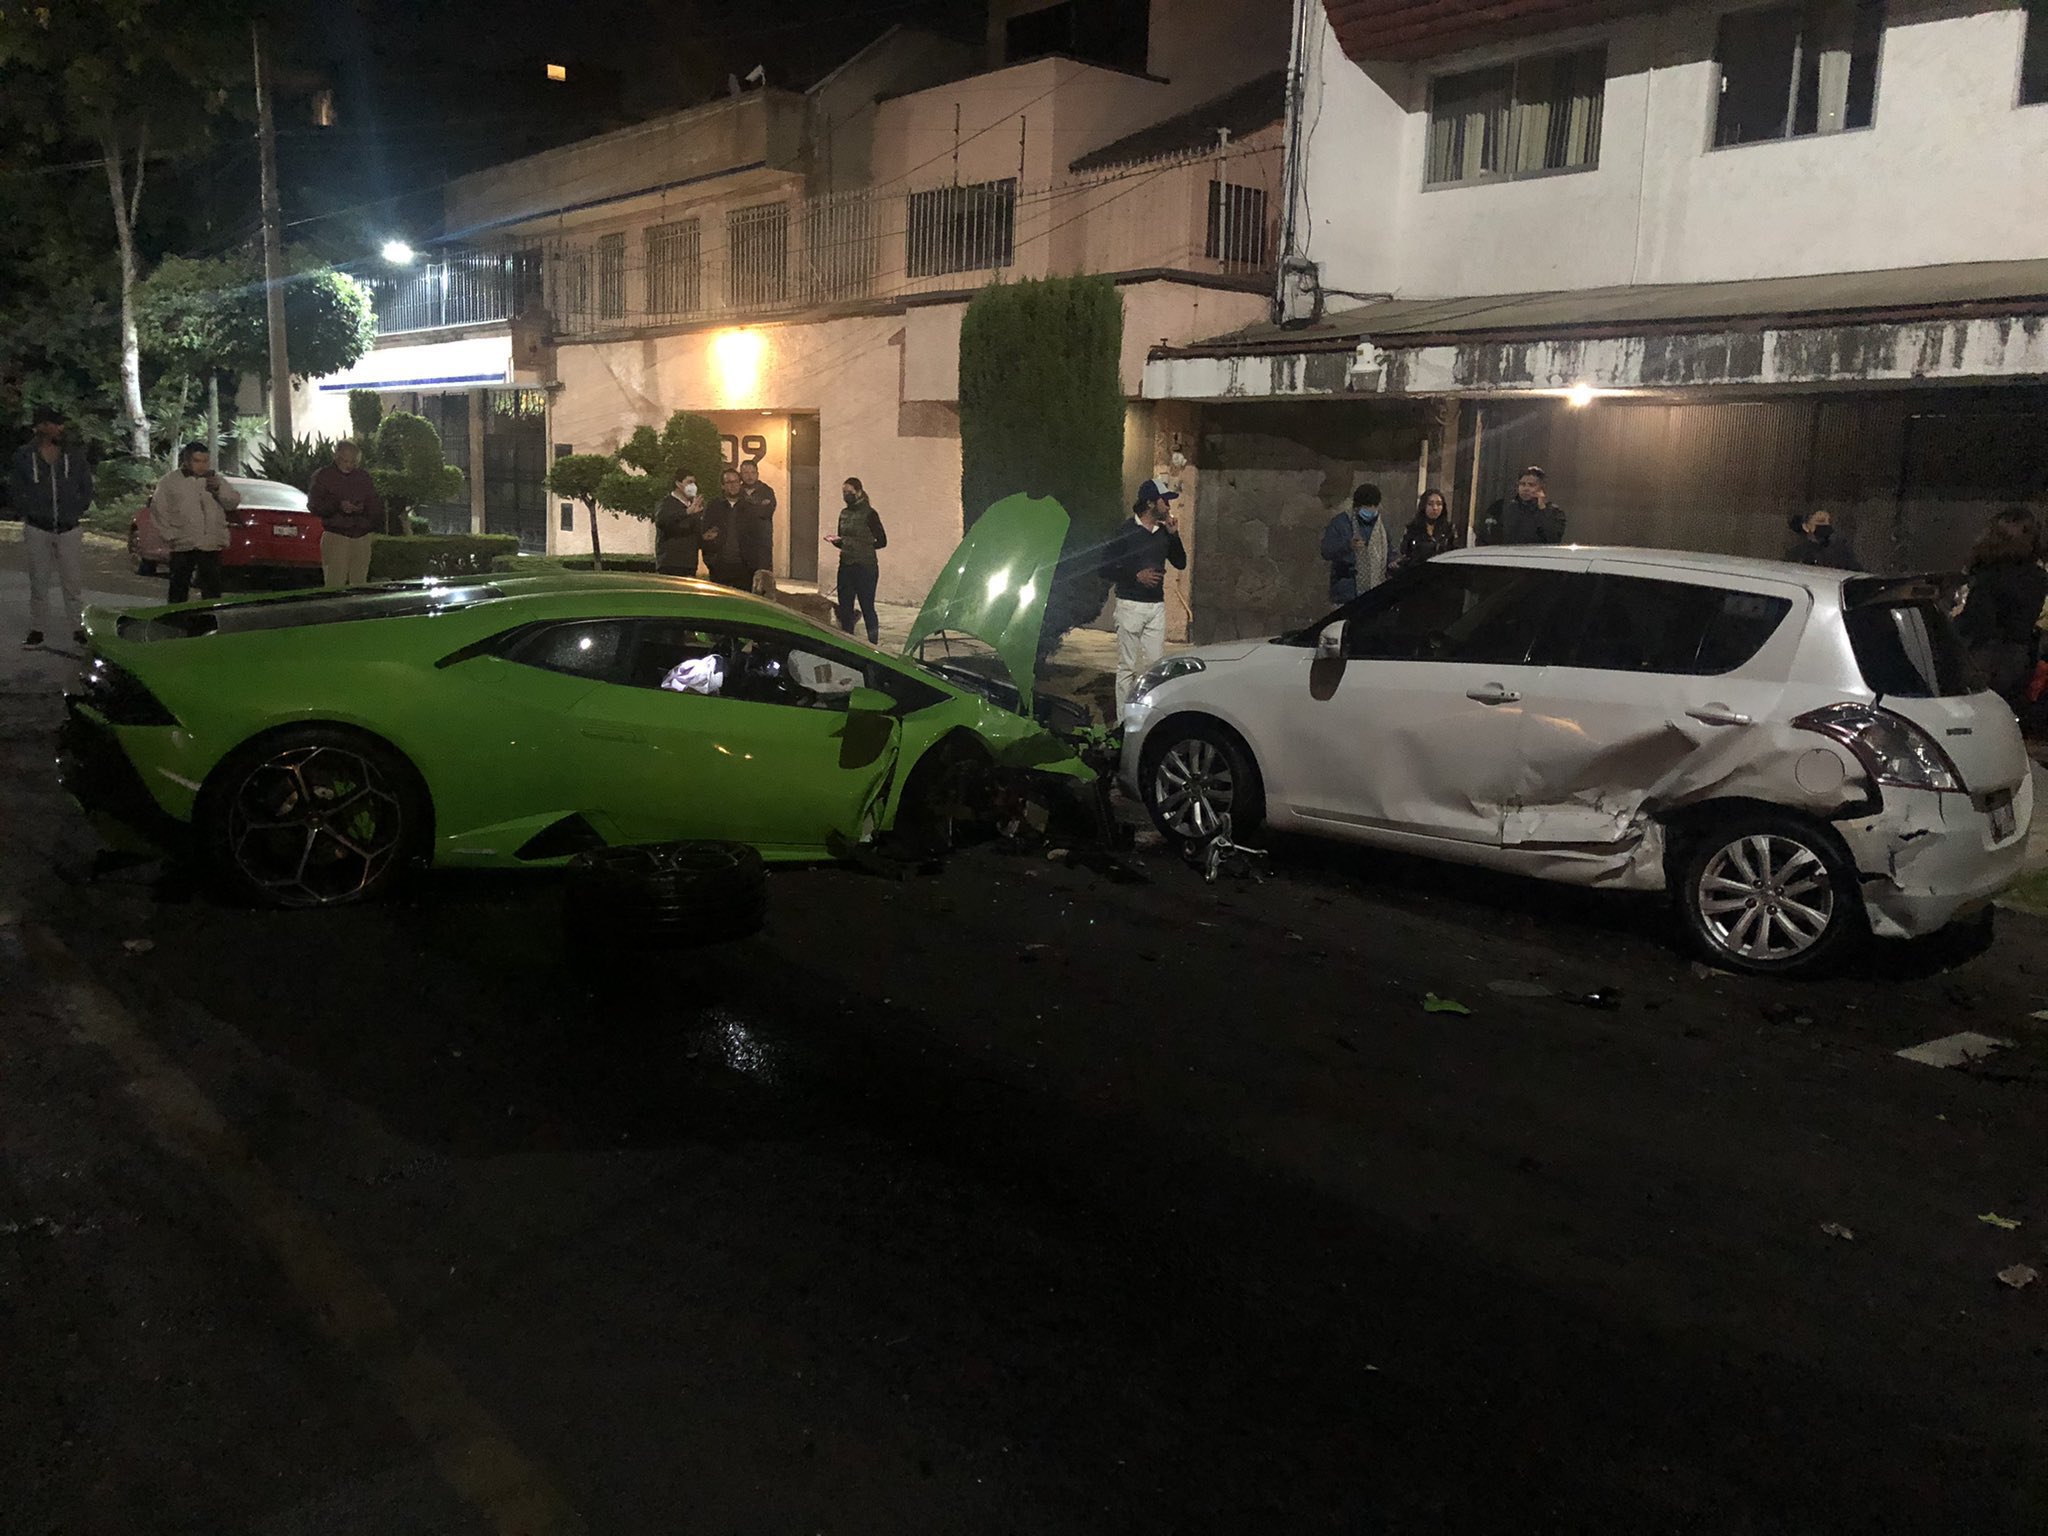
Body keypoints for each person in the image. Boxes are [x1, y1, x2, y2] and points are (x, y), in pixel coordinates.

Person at [1102, 478, 1187, 719]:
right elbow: (1105, 568)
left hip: (1156, 607)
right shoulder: (1126, 532)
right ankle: (1123, 722)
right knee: (1127, 666)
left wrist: (1174, 536)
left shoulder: (1163, 533)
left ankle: (1149, 718)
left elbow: (1180, 562)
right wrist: (1135, 575)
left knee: (1155, 666)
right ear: (1150, 503)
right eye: (1165, 500)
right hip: (1130, 605)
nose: (1168, 506)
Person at [9, 408, 93, 648]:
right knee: (39, 581)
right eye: (53, 425)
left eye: (59, 425)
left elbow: (86, 486)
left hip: (69, 528)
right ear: (40, 427)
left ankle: (78, 628)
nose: (58, 429)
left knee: (72, 582)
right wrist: (28, 509)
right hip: (38, 527)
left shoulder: (74, 455)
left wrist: (77, 509)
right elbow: (16, 487)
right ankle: (37, 629)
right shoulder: (25, 455)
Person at [1955, 506, 2048, 713]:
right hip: (2019, 656)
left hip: (1984, 656)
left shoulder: (1989, 576)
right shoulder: (2038, 577)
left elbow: (1977, 622)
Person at [153, 442, 241, 604]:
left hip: (210, 542)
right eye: (197, 461)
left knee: (212, 588)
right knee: (179, 586)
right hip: (183, 542)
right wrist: (170, 535)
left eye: (205, 461)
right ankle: (176, 620)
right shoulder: (170, 481)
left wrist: (218, 490)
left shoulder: (216, 480)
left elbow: (232, 503)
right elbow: (159, 510)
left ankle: (211, 620)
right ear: (186, 461)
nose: (202, 466)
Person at [306, 439, 383, 588]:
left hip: (361, 535)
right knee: (335, 582)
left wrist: (363, 510)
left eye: (353, 462)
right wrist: (337, 505)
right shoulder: (324, 476)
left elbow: (375, 504)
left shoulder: (363, 477)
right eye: (345, 461)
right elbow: (314, 505)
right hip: (336, 534)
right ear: (337, 456)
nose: (349, 465)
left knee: (360, 583)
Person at [824, 476, 887, 644]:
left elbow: (882, 541)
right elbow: (843, 539)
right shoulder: (843, 514)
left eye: (849, 492)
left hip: (865, 567)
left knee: (867, 607)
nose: (846, 495)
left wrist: (859, 547)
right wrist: (837, 542)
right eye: (844, 492)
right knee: (845, 608)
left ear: (858, 492)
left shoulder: (870, 514)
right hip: (846, 566)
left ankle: (873, 643)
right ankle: (848, 641)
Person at [1320, 483, 1389, 603]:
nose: (1371, 511)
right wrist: (1348, 546)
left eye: (1374, 506)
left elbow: (1388, 550)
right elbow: (1326, 551)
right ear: (1357, 507)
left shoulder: (1380, 526)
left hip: (1374, 593)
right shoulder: (1341, 523)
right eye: (1367, 507)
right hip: (1346, 592)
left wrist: (1393, 561)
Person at [1480, 466, 1566, 545]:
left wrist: (1542, 508)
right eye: (1522, 484)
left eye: (1531, 485)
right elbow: (1487, 535)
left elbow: (1553, 539)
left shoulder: (1554, 512)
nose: (1526, 489)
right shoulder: (1504, 507)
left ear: (1541, 488)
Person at [700, 468, 749, 588]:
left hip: (744, 566)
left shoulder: (749, 506)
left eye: (736, 482)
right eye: (729, 482)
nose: (733, 486)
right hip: (719, 566)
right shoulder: (713, 506)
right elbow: (704, 534)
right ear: (722, 486)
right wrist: (711, 561)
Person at [654, 469, 704, 577]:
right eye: (689, 482)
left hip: (689, 564)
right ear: (678, 484)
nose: (693, 486)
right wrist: (687, 512)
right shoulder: (667, 503)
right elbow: (662, 521)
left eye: (694, 483)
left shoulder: (695, 506)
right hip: (670, 564)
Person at [737, 459, 777, 588]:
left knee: (763, 584)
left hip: (761, 546)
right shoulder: (736, 491)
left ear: (757, 474)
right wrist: (758, 505)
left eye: (752, 472)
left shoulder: (767, 491)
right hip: (740, 546)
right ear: (741, 474)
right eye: (746, 472)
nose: (749, 476)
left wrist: (747, 507)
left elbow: (766, 512)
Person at [1398, 487, 1458, 569]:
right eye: (1430, 504)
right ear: (1424, 506)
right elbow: (1405, 553)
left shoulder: (1449, 529)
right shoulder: (1413, 528)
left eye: (1439, 504)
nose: (1435, 508)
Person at [1782, 508, 1861, 571]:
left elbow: (1855, 570)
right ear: (1806, 526)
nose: (1826, 525)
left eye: (1828, 521)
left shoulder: (1841, 549)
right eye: (1820, 522)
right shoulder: (1797, 553)